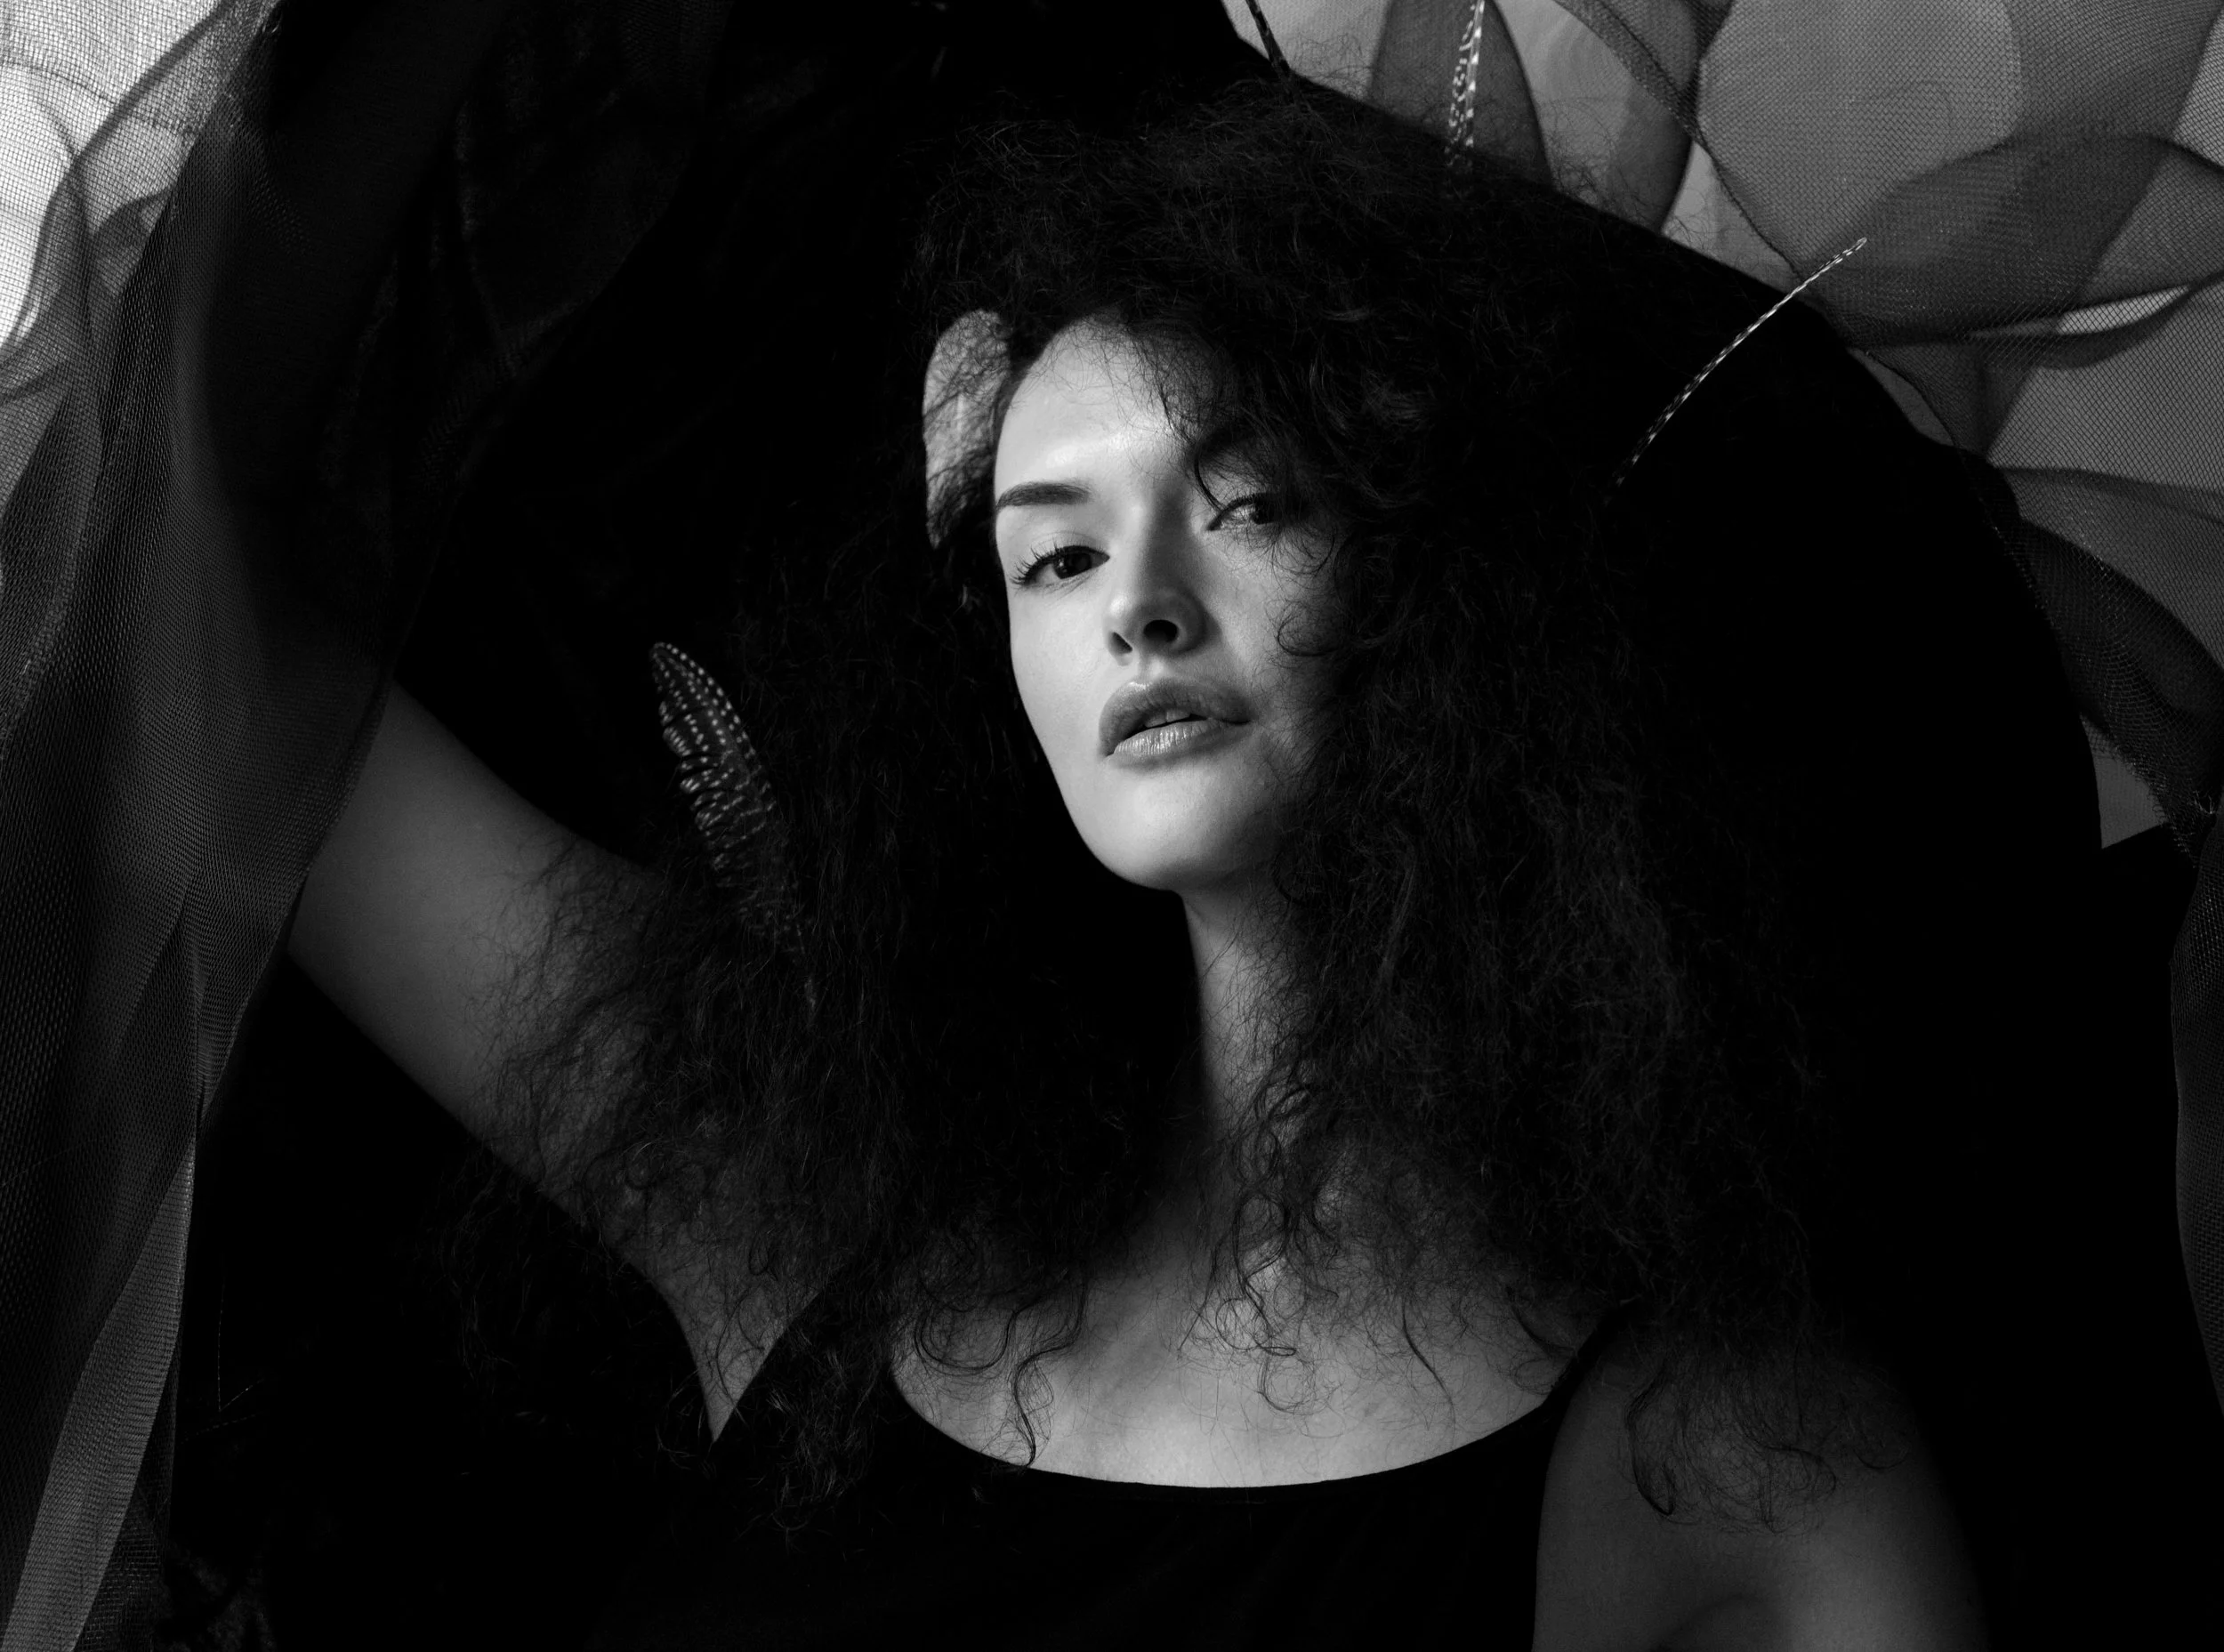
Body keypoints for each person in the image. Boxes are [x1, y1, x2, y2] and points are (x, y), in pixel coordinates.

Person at [286, 81, 2083, 1645]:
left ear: (1451, 581)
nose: (1138, 605)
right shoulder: (802, 1207)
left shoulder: (1731, 1459)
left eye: (1249, 504)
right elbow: (210, 704)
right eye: (1054, 557)